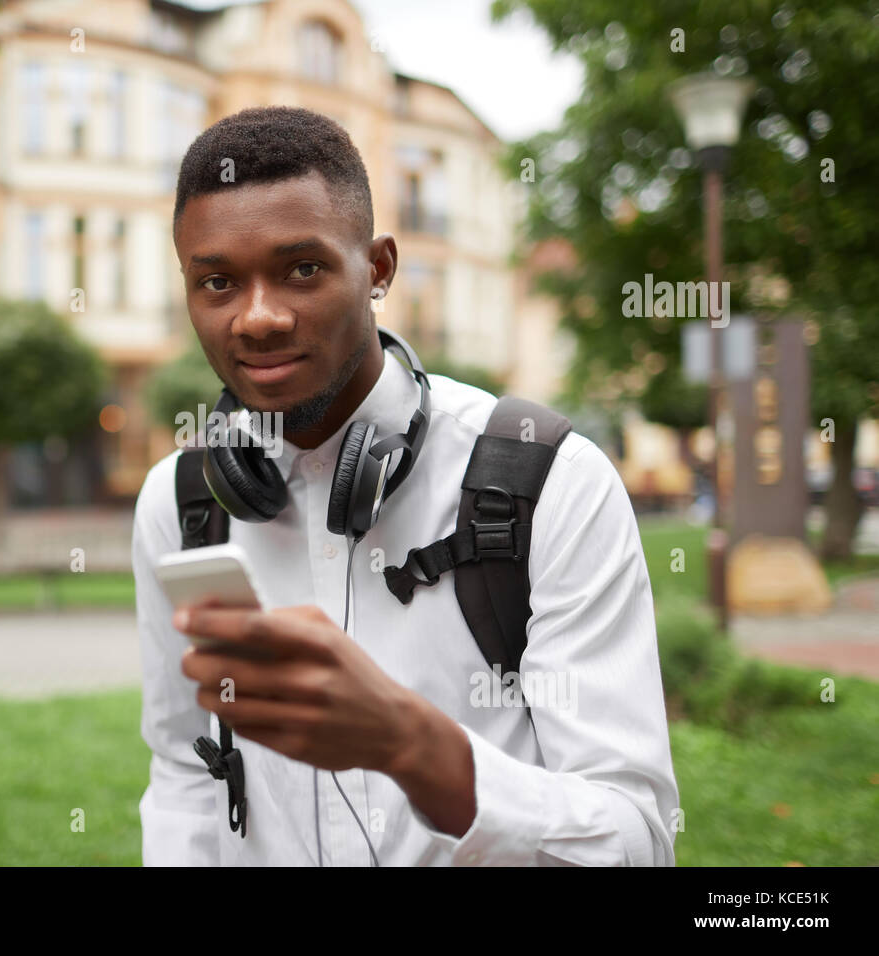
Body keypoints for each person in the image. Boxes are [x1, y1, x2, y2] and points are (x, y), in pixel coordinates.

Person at [131, 105, 679, 866]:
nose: (256, 318)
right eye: (217, 281)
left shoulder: (552, 479)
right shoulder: (180, 502)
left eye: (302, 269)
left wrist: (414, 745)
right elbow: (185, 768)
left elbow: (635, 839)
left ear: (380, 268)